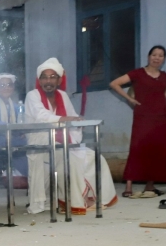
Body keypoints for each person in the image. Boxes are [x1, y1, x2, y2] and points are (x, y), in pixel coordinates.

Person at [25, 58, 118, 215]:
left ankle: (94, 197)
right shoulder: (32, 95)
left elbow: (73, 117)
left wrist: (75, 128)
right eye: (44, 77)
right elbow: (42, 116)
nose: (48, 81)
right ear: (39, 80)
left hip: (65, 141)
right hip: (40, 142)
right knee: (72, 159)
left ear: (59, 80)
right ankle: (70, 201)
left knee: (95, 158)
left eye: (52, 77)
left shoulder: (62, 95)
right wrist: (65, 120)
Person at [109, 45, 166, 198]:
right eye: (154, 54)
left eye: (160, 55)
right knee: (138, 147)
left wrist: (163, 97)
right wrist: (130, 99)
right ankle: (128, 186)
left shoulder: (164, 76)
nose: (157, 58)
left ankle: (150, 185)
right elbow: (114, 84)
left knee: (156, 149)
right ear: (148, 56)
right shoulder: (138, 73)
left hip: (160, 116)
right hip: (143, 115)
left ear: (164, 59)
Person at [0, 73, 28, 176]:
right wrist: (17, 131)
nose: (6, 88)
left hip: (10, 137)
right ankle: (17, 173)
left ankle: (21, 174)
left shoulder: (15, 105)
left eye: (9, 85)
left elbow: (23, 120)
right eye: (2, 85)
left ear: (13, 87)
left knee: (27, 141)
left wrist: (23, 132)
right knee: (22, 144)